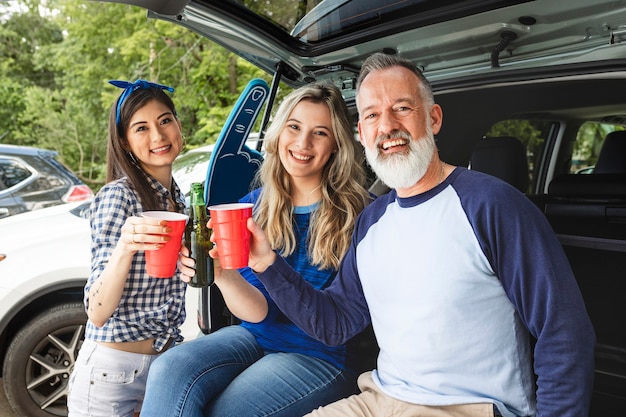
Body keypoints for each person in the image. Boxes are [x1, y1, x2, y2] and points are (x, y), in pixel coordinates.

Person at [239, 53, 596, 417]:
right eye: (372, 115)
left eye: (402, 108)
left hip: (469, 407)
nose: (387, 126)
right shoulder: (371, 219)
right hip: (379, 399)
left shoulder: (492, 205)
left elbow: (564, 333)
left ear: (434, 118)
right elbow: (336, 324)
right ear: (361, 133)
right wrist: (267, 263)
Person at [140, 81, 373, 417]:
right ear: (278, 134)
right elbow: (258, 313)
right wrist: (221, 273)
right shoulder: (252, 208)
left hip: (321, 355)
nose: (303, 143)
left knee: (224, 412)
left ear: (337, 144)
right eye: (294, 127)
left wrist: (268, 262)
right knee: (169, 369)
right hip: (255, 336)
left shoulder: (361, 215)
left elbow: (340, 323)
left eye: (319, 132)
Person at [67, 80, 188, 417]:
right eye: (141, 128)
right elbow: (97, 311)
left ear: (178, 124)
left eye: (165, 121)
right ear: (124, 140)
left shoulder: (177, 199)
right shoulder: (118, 196)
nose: (158, 136)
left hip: (163, 367)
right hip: (112, 373)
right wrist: (125, 246)